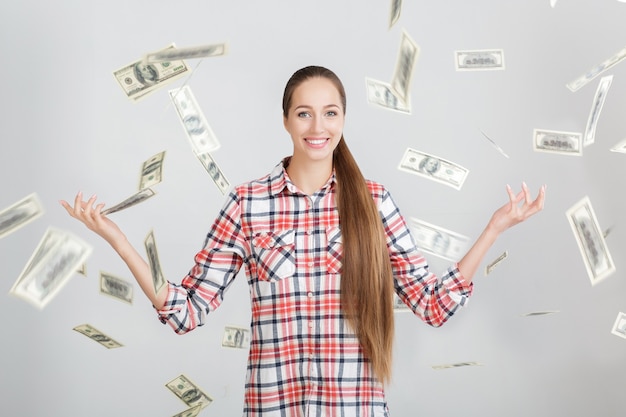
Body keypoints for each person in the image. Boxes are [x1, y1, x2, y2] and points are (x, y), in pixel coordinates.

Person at [60, 65, 545, 416]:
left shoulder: (373, 202)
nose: (318, 127)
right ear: (287, 121)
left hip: (355, 407)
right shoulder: (247, 204)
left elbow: (433, 306)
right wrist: (118, 241)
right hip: (273, 405)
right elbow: (186, 312)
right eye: (305, 114)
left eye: (330, 113)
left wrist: (495, 227)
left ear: (343, 119)